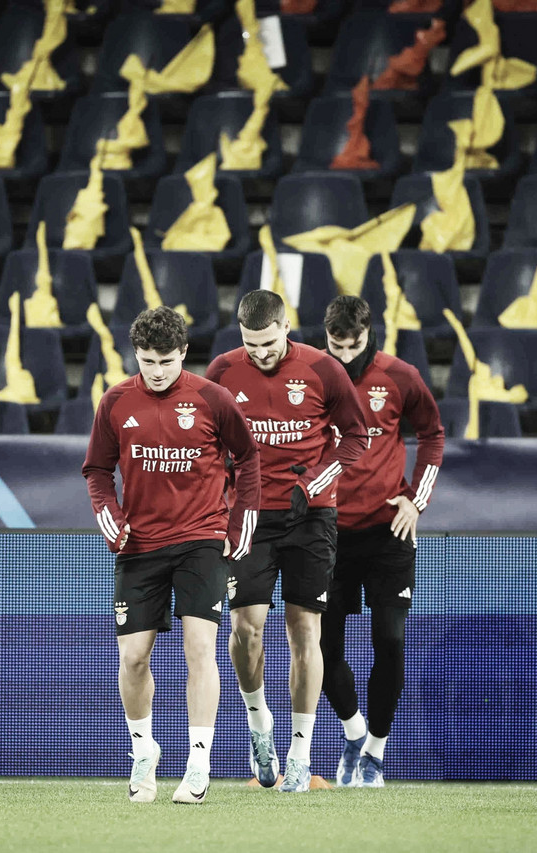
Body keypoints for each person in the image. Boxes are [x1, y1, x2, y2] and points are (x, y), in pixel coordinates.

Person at [83, 306, 261, 805]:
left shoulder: (213, 398)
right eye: (147, 361)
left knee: (200, 648)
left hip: (202, 540)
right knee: (133, 657)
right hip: (139, 545)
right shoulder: (115, 402)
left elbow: (248, 458)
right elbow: (96, 470)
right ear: (135, 356)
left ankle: (198, 763)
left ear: (184, 354)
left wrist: (239, 522)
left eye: (165, 360)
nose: (156, 371)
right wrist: (108, 515)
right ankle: (144, 751)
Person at [205, 290, 369, 793]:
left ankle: (300, 753)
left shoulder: (323, 370)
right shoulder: (222, 372)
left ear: (286, 327)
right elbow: (205, 443)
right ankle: (259, 724)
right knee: (244, 630)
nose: (261, 353)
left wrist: (313, 484)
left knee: (305, 632)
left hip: (311, 516)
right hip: (250, 515)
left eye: (269, 342)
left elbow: (356, 438)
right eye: (251, 344)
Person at [319, 296, 444, 788]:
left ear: (369, 333)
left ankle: (374, 751)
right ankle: (352, 734)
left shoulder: (401, 376)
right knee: (322, 647)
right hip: (327, 533)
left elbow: (432, 434)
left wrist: (416, 501)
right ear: (325, 336)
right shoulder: (311, 376)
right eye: (335, 345)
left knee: (389, 640)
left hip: (388, 531)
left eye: (353, 346)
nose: (345, 355)